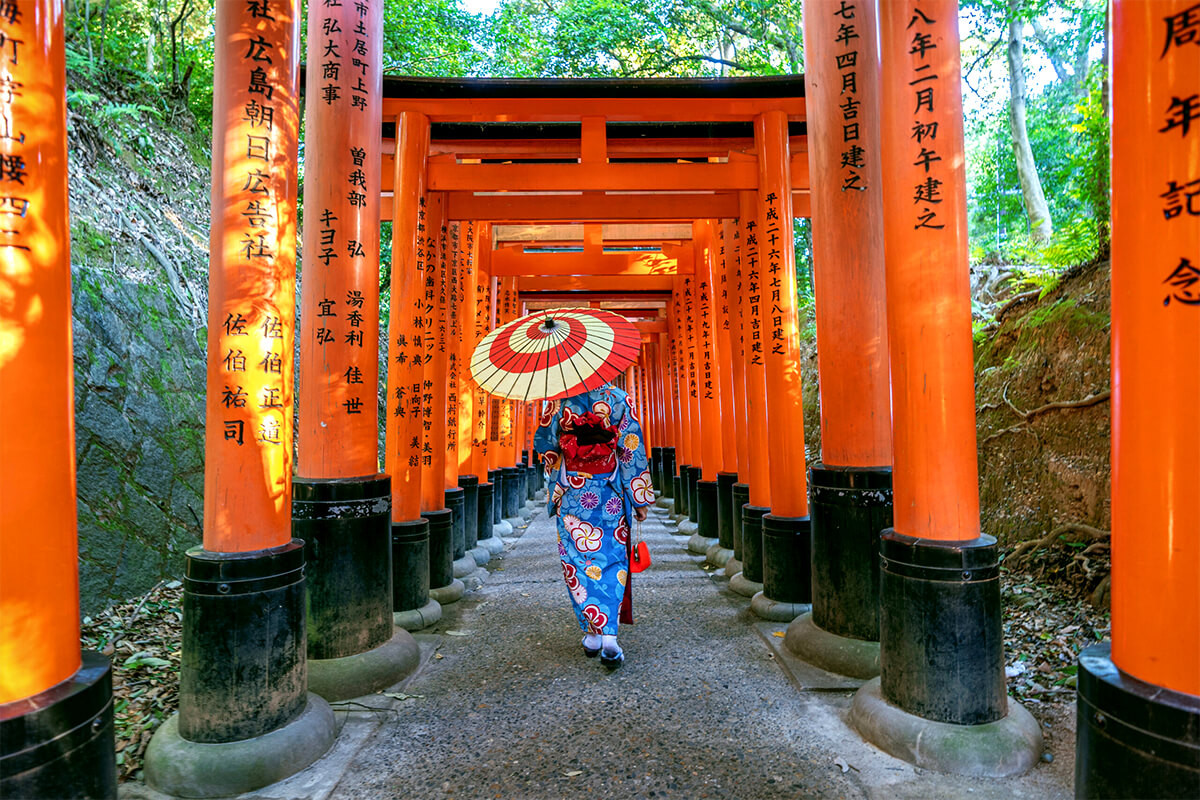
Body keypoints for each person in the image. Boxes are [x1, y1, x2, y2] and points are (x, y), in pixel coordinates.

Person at [534, 383, 654, 669]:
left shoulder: (556, 399)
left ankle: (592, 633)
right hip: (609, 491)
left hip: (573, 493)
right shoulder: (619, 398)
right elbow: (630, 449)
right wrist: (639, 498)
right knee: (612, 558)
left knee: (577, 560)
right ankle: (609, 637)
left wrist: (566, 454)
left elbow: (545, 445)